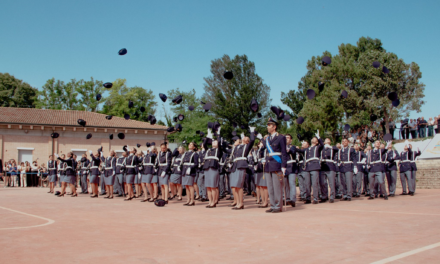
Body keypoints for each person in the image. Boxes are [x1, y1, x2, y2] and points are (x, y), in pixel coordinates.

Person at [260, 118, 287, 213]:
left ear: (274, 127)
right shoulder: (267, 139)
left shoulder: (281, 137)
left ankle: (278, 206)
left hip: (276, 164)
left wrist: (283, 166)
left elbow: (284, 153)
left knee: (277, 186)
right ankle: (272, 204)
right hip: (268, 165)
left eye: (269, 125)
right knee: (270, 187)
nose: (267, 127)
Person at [228, 128, 255, 210]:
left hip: (241, 165)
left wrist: (252, 131)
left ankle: (241, 203)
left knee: (239, 186)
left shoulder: (246, 146)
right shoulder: (236, 147)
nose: (244, 137)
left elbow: (253, 140)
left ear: (247, 141)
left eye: (247, 138)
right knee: (235, 186)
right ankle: (237, 202)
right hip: (235, 166)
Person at [294, 130, 323, 204]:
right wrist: (293, 147)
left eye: (315, 139)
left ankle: (315, 198)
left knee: (314, 183)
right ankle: (308, 198)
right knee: (307, 184)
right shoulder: (306, 149)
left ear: (316, 142)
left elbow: (322, 145)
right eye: (313, 138)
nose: (313, 139)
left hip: (314, 166)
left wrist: (319, 137)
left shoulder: (317, 147)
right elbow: (299, 150)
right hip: (307, 167)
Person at [202, 127, 223, 208]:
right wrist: (208, 135)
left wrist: (218, 134)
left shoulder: (219, 150)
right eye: (213, 141)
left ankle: (214, 202)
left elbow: (220, 143)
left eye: (215, 141)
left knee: (213, 186)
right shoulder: (209, 150)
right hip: (207, 168)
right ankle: (210, 201)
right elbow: (204, 144)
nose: (214, 142)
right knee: (208, 186)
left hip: (214, 169)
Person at [320, 138, 339, 203]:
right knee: (323, 183)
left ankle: (332, 197)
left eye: (329, 139)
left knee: (331, 183)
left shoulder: (332, 148)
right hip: (323, 166)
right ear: (324, 142)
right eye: (326, 139)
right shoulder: (322, 148)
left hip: (330, 166)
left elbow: (337, 149)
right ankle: (324, 196)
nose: (327, 140)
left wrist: (330, 147)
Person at [181, 142, 199, 206]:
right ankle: (188, 199)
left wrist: (190, 167)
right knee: (186, 186)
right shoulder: (186, 153)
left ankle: (192, 200)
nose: (189, 145)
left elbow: (196, 164)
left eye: (191, 144)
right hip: (185, 170)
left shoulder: (195, 154)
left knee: (190, 186)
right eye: (189, 144)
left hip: (190, 171)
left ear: (194, 147)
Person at [254, 141, 268, 207]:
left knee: (265, 186)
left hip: (264, 168)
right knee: (261, 186)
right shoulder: (258, 151)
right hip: (259, 168)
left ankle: (266, 201)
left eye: (262, 142)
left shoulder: (266, 149)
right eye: (259, 143)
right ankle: (262, 201)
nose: (260, 144)